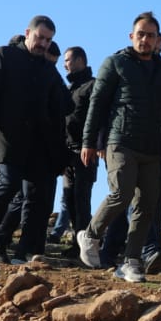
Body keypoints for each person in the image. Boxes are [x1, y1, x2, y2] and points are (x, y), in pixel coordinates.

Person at [77, 12, 161, 283]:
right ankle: (90, 235)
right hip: (119, 140)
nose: (145, 39)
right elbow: (97, 104)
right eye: (141, 34)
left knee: (147, 204)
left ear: (158, 39)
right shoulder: (115, 63)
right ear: (131, 36)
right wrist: (88, 141)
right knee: (121, 192)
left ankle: (132, 261)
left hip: (151, 147)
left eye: (150, 35)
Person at [0, 16, 70, 264]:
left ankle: (1, 242)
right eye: (40, 37)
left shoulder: (48, 68)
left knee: (33, 195)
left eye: (48, 40)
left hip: (37, 141)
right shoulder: (5, 55)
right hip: (5, 133)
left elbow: (65, 102)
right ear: (28, 32)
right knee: (9, 182)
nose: (43, 44)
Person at [49, 45, 97, 253]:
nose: (64, 64)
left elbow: (95, 119)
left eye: (68, 60)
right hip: (67, 150)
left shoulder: (92, 86)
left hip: (85, 151)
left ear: (80, 61)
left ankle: (84, 244)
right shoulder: (69, 88)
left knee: (81, 197)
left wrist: (92, 144)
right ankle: (76, 243)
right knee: (69, 198)